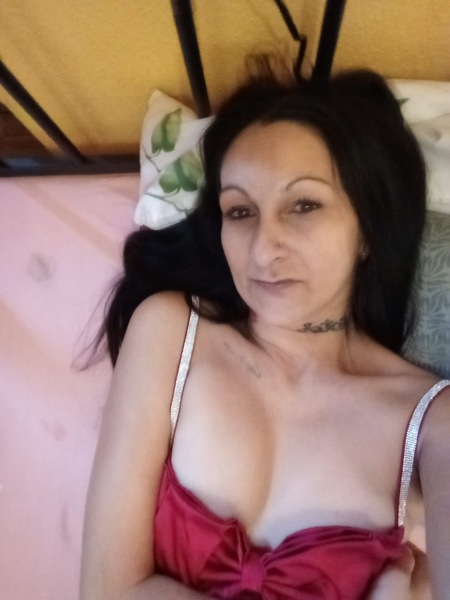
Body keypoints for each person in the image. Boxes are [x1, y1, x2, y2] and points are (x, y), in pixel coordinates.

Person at [79, 68, 450, 600]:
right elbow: (104, 590)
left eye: (304, 205)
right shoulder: (171, 331)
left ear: (368, 229)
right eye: (240, 211)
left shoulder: (433, 422)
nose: (262, 247)